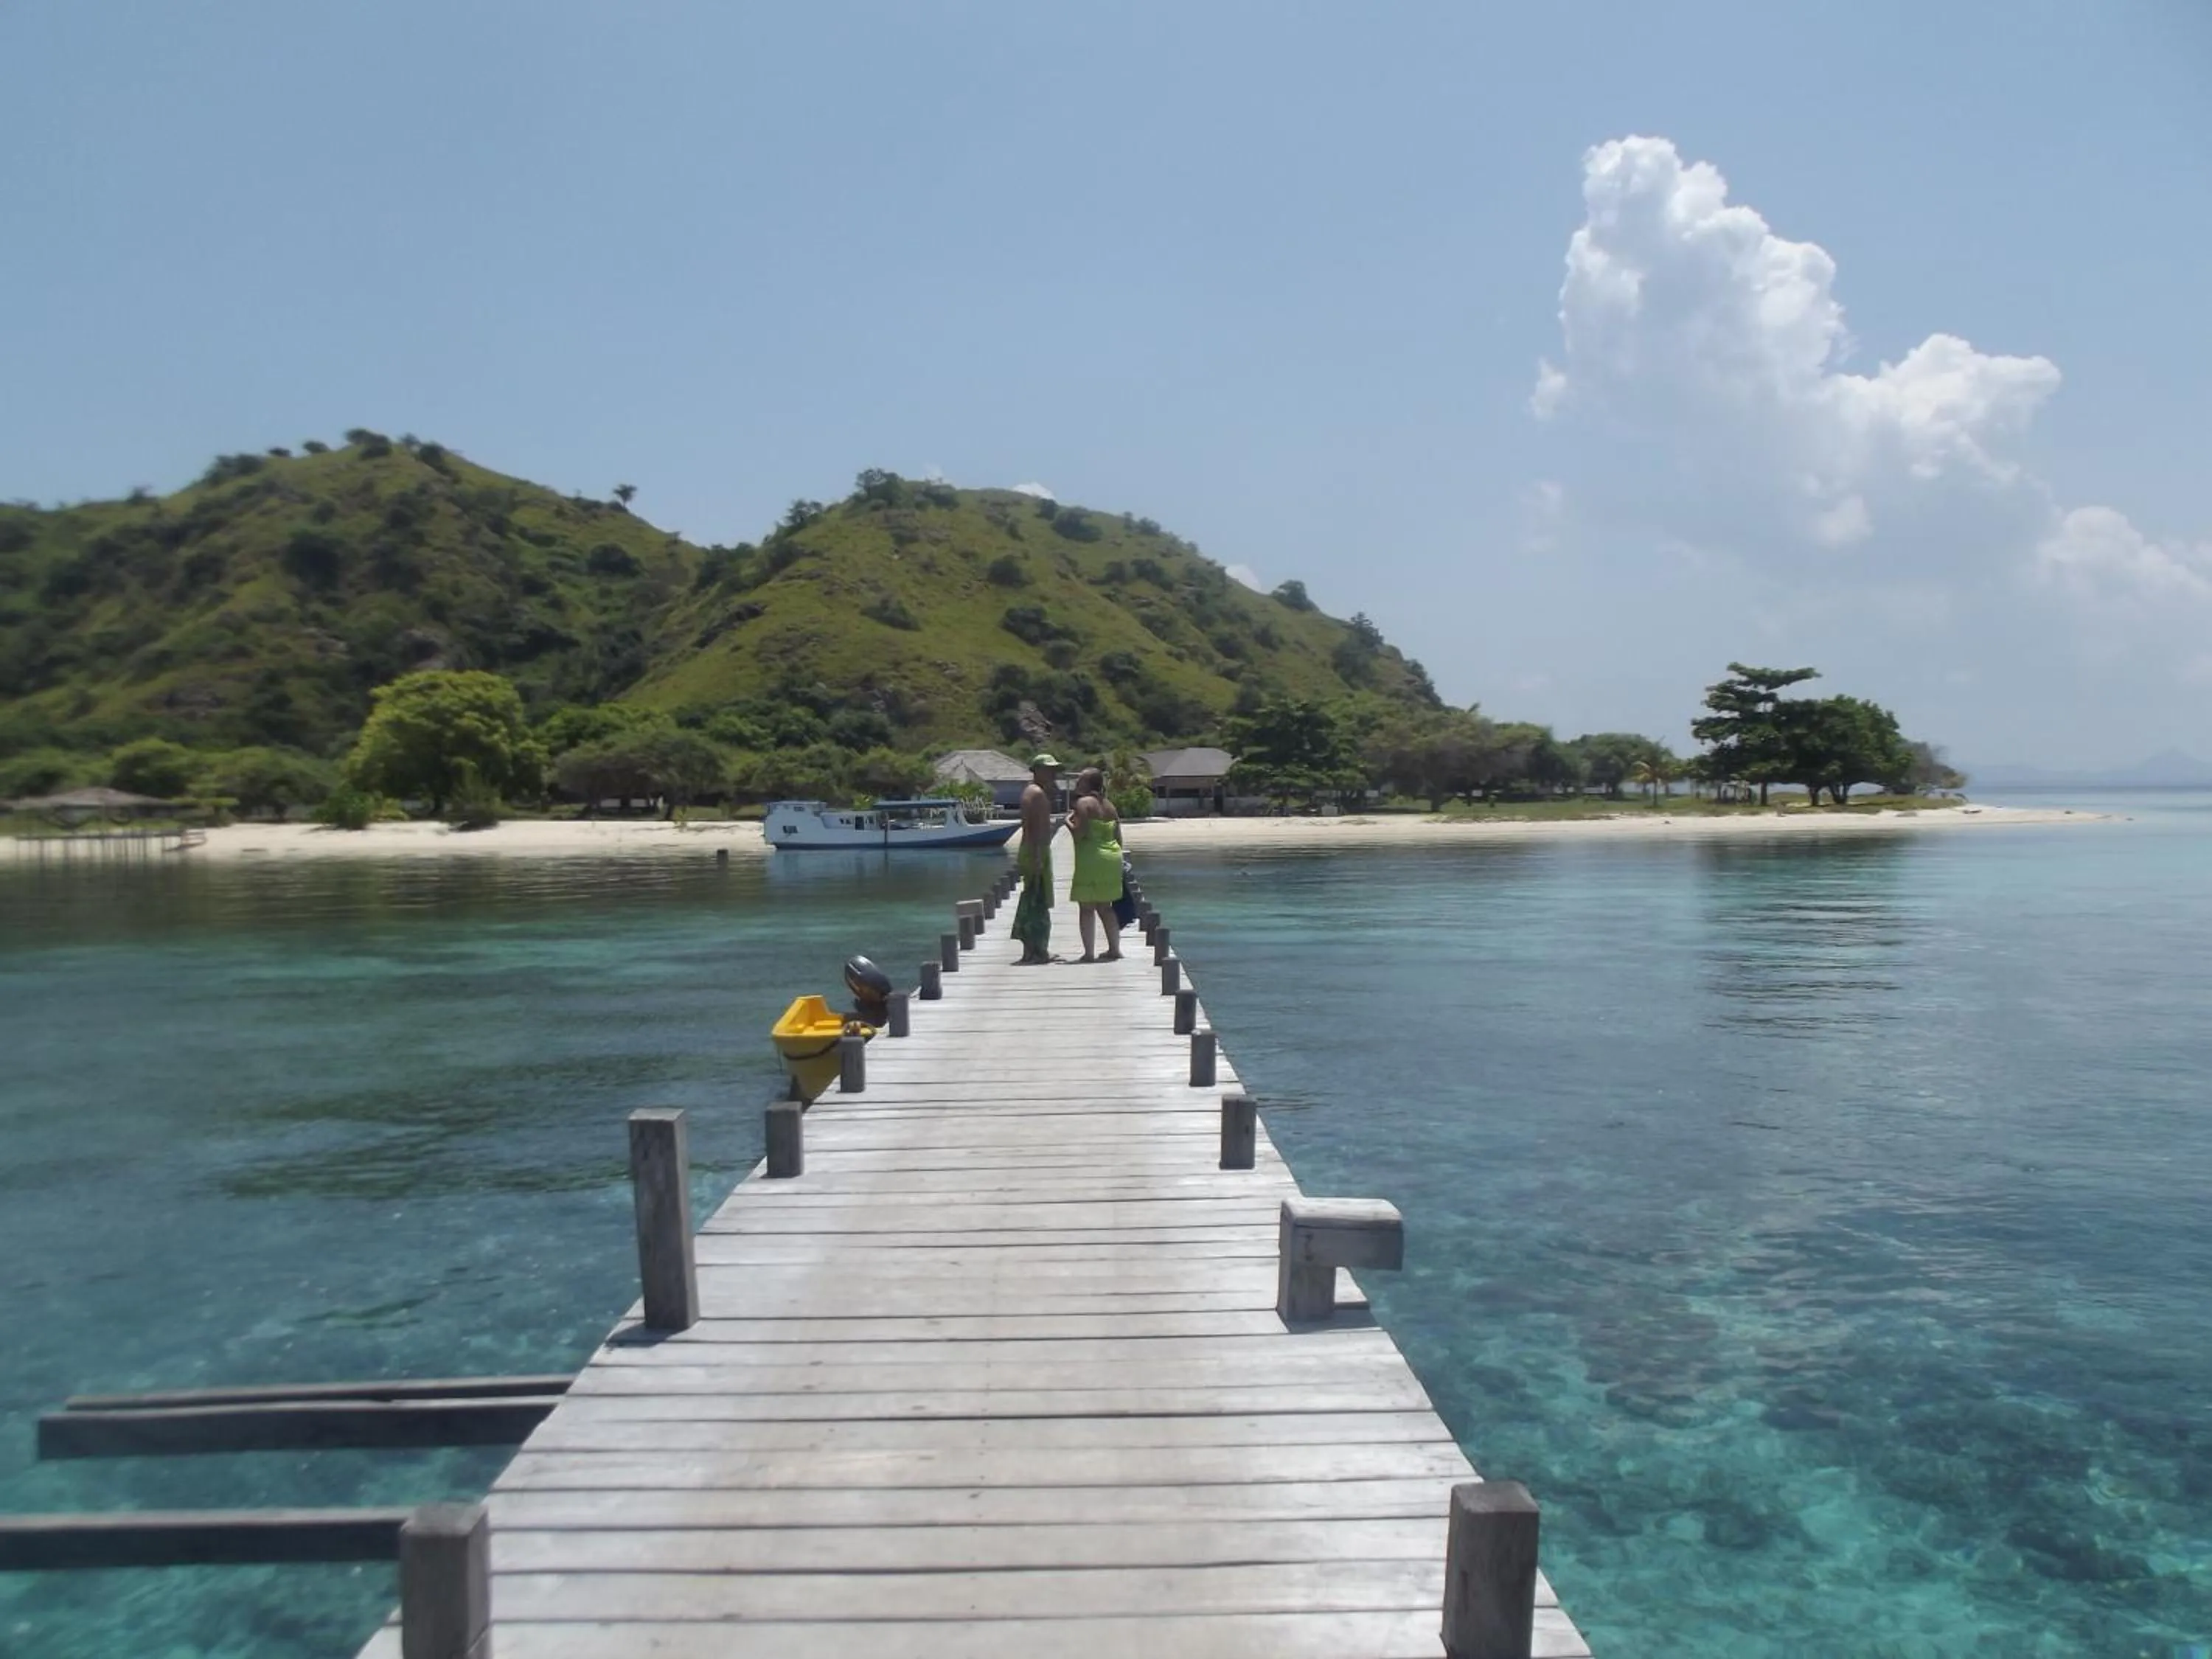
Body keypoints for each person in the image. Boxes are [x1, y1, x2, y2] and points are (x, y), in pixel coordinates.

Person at [1063, 765, 1124, 962]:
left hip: (1091, 857)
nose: (1077, 783)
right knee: (1106, 907)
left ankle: (1089, 953)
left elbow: (1079, 836)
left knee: (1087, 907)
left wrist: (1068, 823)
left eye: (1080, 780)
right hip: (1113, 857)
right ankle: (1115, 949)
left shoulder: (1083, 804)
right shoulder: (1110, 806)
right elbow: (1119, 837)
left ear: (1089, 784)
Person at [1011, 752, 1060, 964]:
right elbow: (1028, 826)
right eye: (1048, 769)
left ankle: (1037, 950)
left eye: (1053, 769)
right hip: (1035, 851)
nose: (1052, 773)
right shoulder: (1035, 793)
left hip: (1037, 850)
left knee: (1036, 899)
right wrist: (1037, 856)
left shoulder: (1036, 792)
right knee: (1035, 900)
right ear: (1037, 770)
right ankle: (1034, 951)